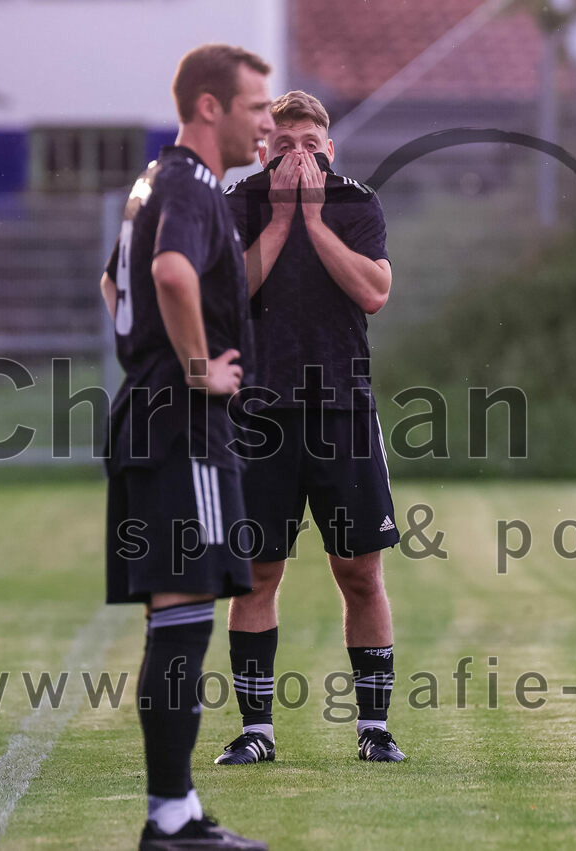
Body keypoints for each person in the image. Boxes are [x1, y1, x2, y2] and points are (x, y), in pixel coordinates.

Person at [101, 44, 274, 848]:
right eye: (258, 108)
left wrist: (146, 355)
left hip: (149, 414)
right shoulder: (192, 184)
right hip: (183, 427)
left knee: (179, 618)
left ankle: (177, 807)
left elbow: (114, 284)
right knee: (186, 617)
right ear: (211, 107)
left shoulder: (151, 182)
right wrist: (199, 366)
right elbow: (170, 274)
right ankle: (169, 819)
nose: (268, 124)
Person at [216, 90, 404, 765]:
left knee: (358, 570)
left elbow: (374, 292)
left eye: (309, 144)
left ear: (330, 148)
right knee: (259, 572)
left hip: (341, 409)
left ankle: (375, 728)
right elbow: (229, 295)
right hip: (259, 413)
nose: (297, 155)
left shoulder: (356, 204)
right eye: (284, 143)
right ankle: (257, 731)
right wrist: (282, 220)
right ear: (265, 146)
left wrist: (316, 222)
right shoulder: (238, 203)